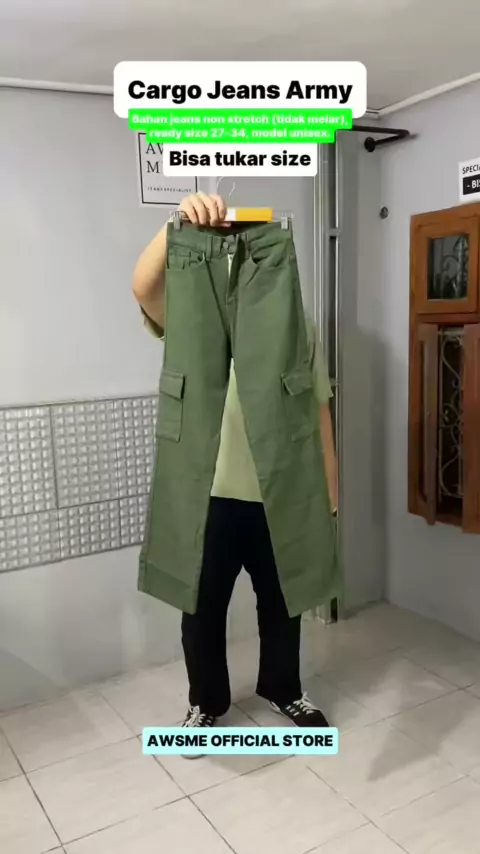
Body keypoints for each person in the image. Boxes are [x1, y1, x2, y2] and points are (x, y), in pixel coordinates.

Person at [132, 192, 338, 739]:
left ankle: (284, 689)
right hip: (208, 498)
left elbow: (319, 411)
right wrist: (175, 224)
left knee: (283, 603)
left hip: (281, 494)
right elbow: (143, 287)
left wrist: (330, 499)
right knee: (200, 611)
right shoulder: (190, 318)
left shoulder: (297, 326)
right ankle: (205, 702)